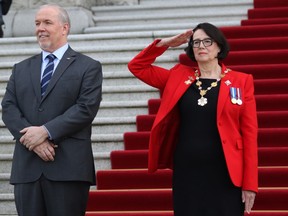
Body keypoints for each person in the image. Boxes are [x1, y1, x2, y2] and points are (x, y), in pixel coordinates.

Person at [128, 22, 258, 216]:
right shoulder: (178, 76)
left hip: (226, 171)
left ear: (219, 46)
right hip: (188, 170)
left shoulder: (240, 81)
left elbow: (249, 134)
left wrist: (250, 184)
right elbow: (137, 66)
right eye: (196, 42)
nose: (201, 47)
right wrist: (165, 44)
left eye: (207, 41)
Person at [1, 3, 102, 216]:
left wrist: (45, 131)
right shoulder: (21, 68)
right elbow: (8, 108)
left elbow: (85, 108)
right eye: (37, 23)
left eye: (47, 22)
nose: (40, 28)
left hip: (68, 168)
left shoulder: (88, 66)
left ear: (65, 28)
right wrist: (33, 140)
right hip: (27, 169)